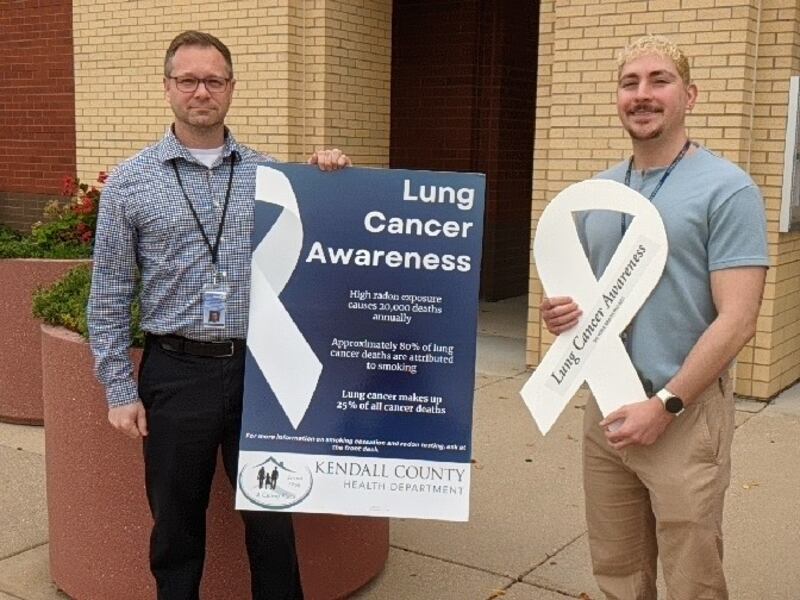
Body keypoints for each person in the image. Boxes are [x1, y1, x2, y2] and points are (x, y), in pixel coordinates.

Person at [88, 30, 350, 600]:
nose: (200, 90)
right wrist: (116, 387)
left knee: (273, 517)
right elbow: (109, 291)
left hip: (261, 373)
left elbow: (325, 248)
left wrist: (332, 179)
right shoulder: (131, 181)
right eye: (188, 79)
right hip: (176, 373)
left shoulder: (274, 177)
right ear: (168, 89)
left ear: (231, 89)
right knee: (176, 523)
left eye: (213, 80)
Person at [540, 34, 768, 599]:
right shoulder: (595, 191)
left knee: (692, 576)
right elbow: (593, 303)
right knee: (617, 567)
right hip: (606, 408)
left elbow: (737, 320)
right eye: (629, 83)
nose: (642, 94)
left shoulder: (727, 189)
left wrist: (665, 406)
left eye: (658, 80)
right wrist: (562, 314)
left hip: (682, 411)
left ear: (689, 96)